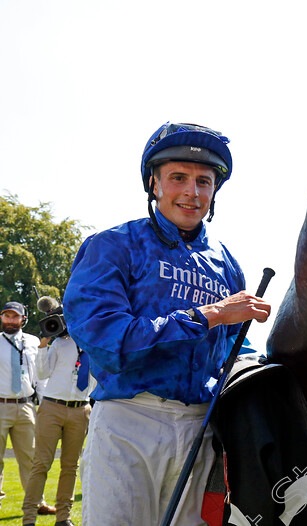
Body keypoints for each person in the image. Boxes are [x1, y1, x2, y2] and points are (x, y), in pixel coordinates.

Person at [64, 122, 272, 525]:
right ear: (153, 183)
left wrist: (260, 369)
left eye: (204, 181)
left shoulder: (228, 266)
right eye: (178, 178)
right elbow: (108, 342)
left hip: (200, 427)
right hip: (128, 420)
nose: (192, 192)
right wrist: (209, 315)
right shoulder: (111, 246)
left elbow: (232, 350)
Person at [21, 324, 96, 526]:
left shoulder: (97, 345)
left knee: (71, 467)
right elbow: (43, 373)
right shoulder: (60, 343)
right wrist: (43, 345)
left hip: (81, 409)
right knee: (41, 464)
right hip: (52, 407)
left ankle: (64, 518)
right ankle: (29, 518)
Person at [0, 301, 56, 516]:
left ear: (24, 319)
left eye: (15, 317)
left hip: (26, 406)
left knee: (31, 459)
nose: (10, 320)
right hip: (0, 404)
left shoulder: (34, 342)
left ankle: (36, 503)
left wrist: (45, 405)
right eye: (6, 316)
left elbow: (41, 377)